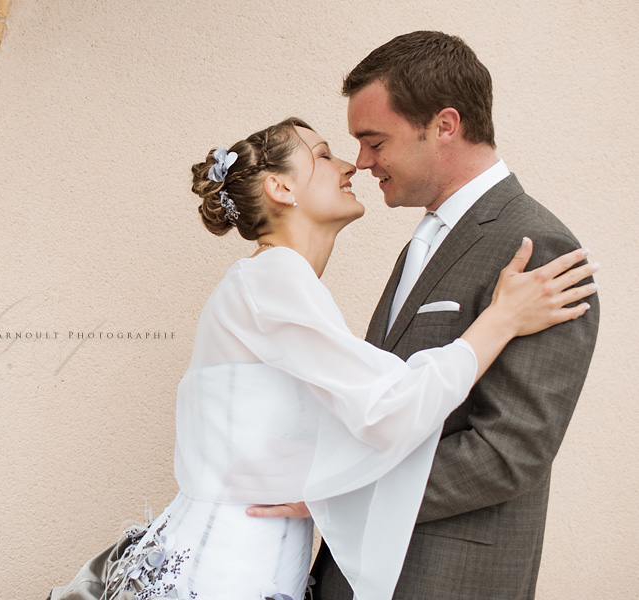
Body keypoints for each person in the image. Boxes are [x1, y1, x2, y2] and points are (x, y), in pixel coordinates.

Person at [46, 117, 596, 600]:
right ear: (281, 187)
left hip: (260, 556)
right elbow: (387, 407)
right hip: (228, 569)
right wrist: (499, 321)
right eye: (325, 153)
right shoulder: (274, 278)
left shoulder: (275, 283)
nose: (351, 165)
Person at [251, 32, 601, 600]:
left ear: (444, 125)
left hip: (441, 577)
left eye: (373, 140)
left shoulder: (538, 245)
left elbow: (510, 452)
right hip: (356, 569)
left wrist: (338, 492)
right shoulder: (429, 238)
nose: (361, 162)